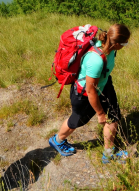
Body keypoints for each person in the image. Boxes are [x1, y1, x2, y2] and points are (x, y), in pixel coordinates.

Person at [49, 23, 131, 164]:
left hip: (104, 85)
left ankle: (108, 154)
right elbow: (90, 89)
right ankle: (57, 140)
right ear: (116, 43)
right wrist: (99, 113)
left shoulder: (111, 48)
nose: (125, 46)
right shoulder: (96, 60)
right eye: (125, 43)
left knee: (113, 116)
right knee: (76, 120)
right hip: (84, 95)